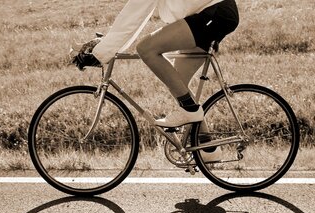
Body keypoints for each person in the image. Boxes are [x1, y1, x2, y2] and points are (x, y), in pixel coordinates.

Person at [73, 0, 239, 160]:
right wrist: (105, 45)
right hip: (208, 14)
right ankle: (208, 148)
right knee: (177, 83)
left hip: (213, 13)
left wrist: (101, 53)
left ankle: (190, 111)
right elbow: (132, 15)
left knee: (146, 48)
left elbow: (135, 13)